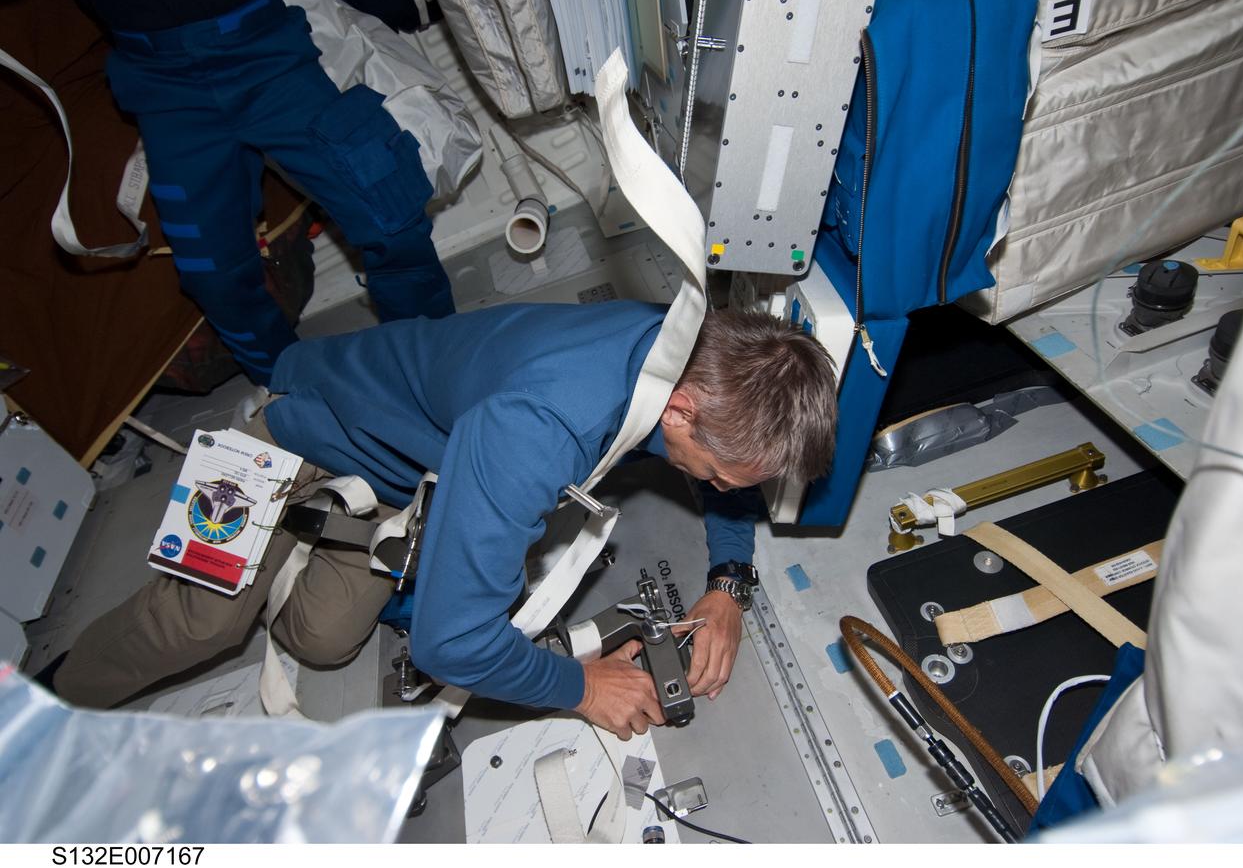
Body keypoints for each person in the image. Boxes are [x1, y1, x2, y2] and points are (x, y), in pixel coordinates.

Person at [52, 301, 838, 738]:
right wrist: (577, 687)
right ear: (682, 412)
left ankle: (283, 557)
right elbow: (449, 642)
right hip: (285, 435)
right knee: (201, 627)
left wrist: (730, 582)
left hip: (399, 470)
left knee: (325, 640)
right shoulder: (538, 433)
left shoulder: (687, 348)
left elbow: (730, 483)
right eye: (722, 473)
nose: (728, 488)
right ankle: (51, 695)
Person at [72, 0, 455, 386]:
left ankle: (429, 370)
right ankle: (287, 391)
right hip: (161, 85)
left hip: (267, 52)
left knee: (393, 219)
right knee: (213, 276)